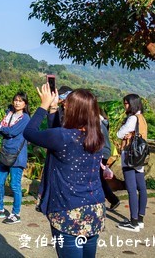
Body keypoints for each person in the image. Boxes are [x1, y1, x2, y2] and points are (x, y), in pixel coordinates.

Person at [24, 84, 105, 258]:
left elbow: (29, 133)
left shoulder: (63, 137)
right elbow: (57, 137)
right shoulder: (96, 137)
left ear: (75, 111)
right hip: (95, 209)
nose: (63, 106)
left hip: (68, 212)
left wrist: (43, 105)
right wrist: (53, 109)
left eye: (66, 105)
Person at [0, 92, 30, 224]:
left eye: (20, 101)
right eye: (15, 100)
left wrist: (4, 129)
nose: (17, 103)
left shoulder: (25, 118)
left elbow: (12, 131)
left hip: (17, 155)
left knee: (14, 185)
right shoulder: (9, 114)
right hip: (5, 153)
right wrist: (5, 129)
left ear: (25, 104)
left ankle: (16, 213)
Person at [117, 93, 148, 232]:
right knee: (141, 187)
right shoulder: (142, 118)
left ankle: (133, 222)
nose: (125, 106)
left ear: (132, 104)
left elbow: (119, 134)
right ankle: (140, 219)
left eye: (126, 103)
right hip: (139, 157)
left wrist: (126, 134)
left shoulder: (132, 119)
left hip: (130, 156)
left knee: (131, 189)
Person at [98, 107, 120, 210]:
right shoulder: (103, 120)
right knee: (99, 177)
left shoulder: (96, 121)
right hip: (106, 150)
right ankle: (112, 199)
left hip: (101, 151)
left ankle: (113, 199)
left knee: (98, 178)